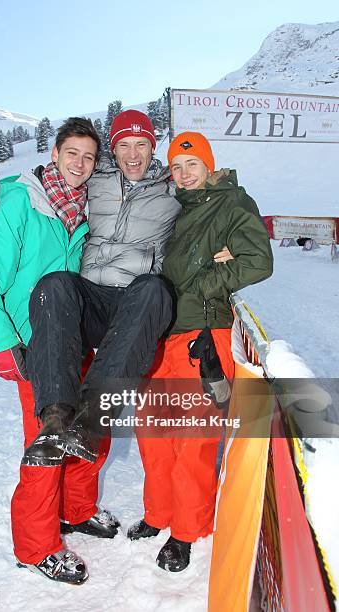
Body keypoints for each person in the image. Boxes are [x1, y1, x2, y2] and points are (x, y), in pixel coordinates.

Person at [0, 118, 118, 585]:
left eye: (89, 157)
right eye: (72, 153)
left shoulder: (86, 212)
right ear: (54, 153)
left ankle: (77, 510)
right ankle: (35, 547)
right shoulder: (22, 206)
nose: (80, 163)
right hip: (37, 347)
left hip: (80, 340)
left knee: (92, 430)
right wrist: (2, 343)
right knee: (47, 442)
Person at [127, 131, 273, 572]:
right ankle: (158, 514)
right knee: (152, 431)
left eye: (192, 165)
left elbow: (259, 261)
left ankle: (187, 530)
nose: (185, 174)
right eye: (176, 167)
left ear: (208, 166)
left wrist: (203, 286)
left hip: (202, 338)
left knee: (193, 438)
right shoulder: (176, 209)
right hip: (160, 336)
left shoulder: (233, 204)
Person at [23, 110, 181, 464]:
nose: (133, 154)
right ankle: (55, 419)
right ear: (114, 148)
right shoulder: (97, 178)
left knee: (155, 289)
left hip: (135, 304)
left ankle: (92, 420)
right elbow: (55, 185)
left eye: (142, 144)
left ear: (152, 147)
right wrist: (4, 208)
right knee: (55, 284)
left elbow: (208, 199)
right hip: (91, 299)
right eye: (124, 145)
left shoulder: (171, 187)